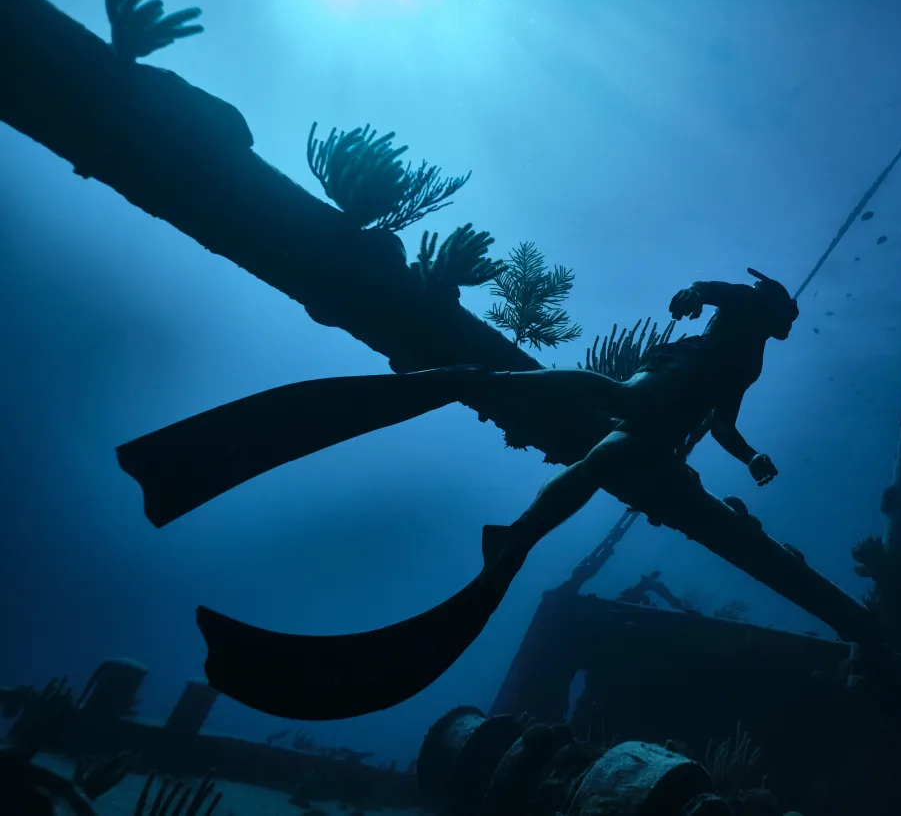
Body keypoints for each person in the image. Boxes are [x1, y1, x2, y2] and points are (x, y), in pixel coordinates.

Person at [115, 267, 800, 720]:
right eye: (782, 315)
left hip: (663, 429)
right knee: (619, 411)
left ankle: (515, 530)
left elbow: (724, 421)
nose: (782, 324)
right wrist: (692, 295)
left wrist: (752, 456)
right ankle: (485, 390)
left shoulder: (750, 360)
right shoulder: (743, 316)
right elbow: (712, 290)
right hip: (656, 391)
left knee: (604, 459)